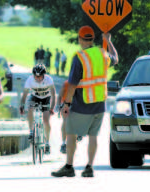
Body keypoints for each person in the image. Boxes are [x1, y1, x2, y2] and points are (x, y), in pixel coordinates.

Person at [51, 25, 118, 177]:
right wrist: (108, 41)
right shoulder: (103, 54)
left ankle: (69, 166)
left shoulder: (79, 57)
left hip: (82, 104)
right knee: (93, 136)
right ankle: (89, 167)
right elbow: (116, 58)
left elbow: (72, 85)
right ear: (93, 39)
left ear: (80, 39)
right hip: (100, 104)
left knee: (71, 133)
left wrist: (67, 104)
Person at [19, 64, 56, 154]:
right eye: (36, 77)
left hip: (46, 98)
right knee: (29, 108)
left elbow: (53, 95)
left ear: (44, 75)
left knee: (46, 121)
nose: (38, 79)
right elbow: (24, 95)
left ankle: (47, 143)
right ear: (33, 75)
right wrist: (22, 106)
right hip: (35, 97)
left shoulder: (49, 80)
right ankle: (31, 131)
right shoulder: (30, 80)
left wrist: (52, 108)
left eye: (40, 77)